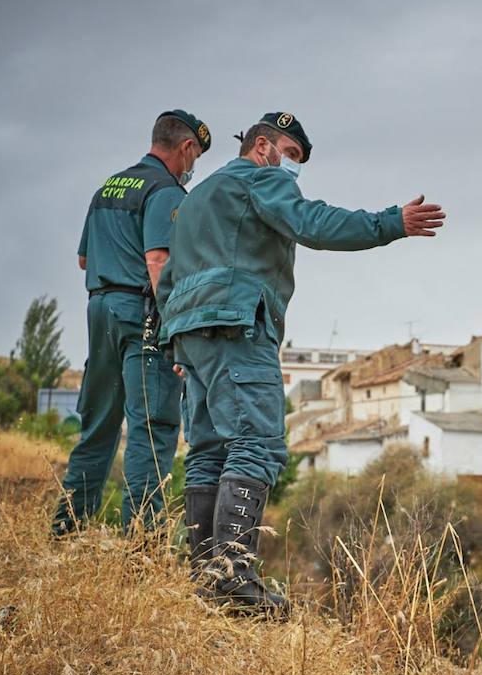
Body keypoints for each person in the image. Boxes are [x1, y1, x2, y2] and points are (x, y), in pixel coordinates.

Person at [157, 111, 445, 615]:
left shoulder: (194, 198)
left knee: (208, 450)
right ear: (263, 146)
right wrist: (389, 224)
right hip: (238, 324)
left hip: (190, 333)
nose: (292, 168)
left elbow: (167, 277)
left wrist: (175, 341)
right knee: (257, 443)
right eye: (291, 155)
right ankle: (232, 580)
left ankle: (204, 577)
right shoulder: (258, 178)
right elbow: (311, 222)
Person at [52, 109, 211, 536]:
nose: (193, 167)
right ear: (186, 148)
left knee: (98, 427)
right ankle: (141, 549)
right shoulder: (166, 191)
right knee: (151, 429)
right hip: (142, 315)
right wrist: (177, 328)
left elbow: (84, 258)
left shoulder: (109, 186)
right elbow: (158, 261)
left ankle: (67, 531)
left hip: (99, 310)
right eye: (195, 157)